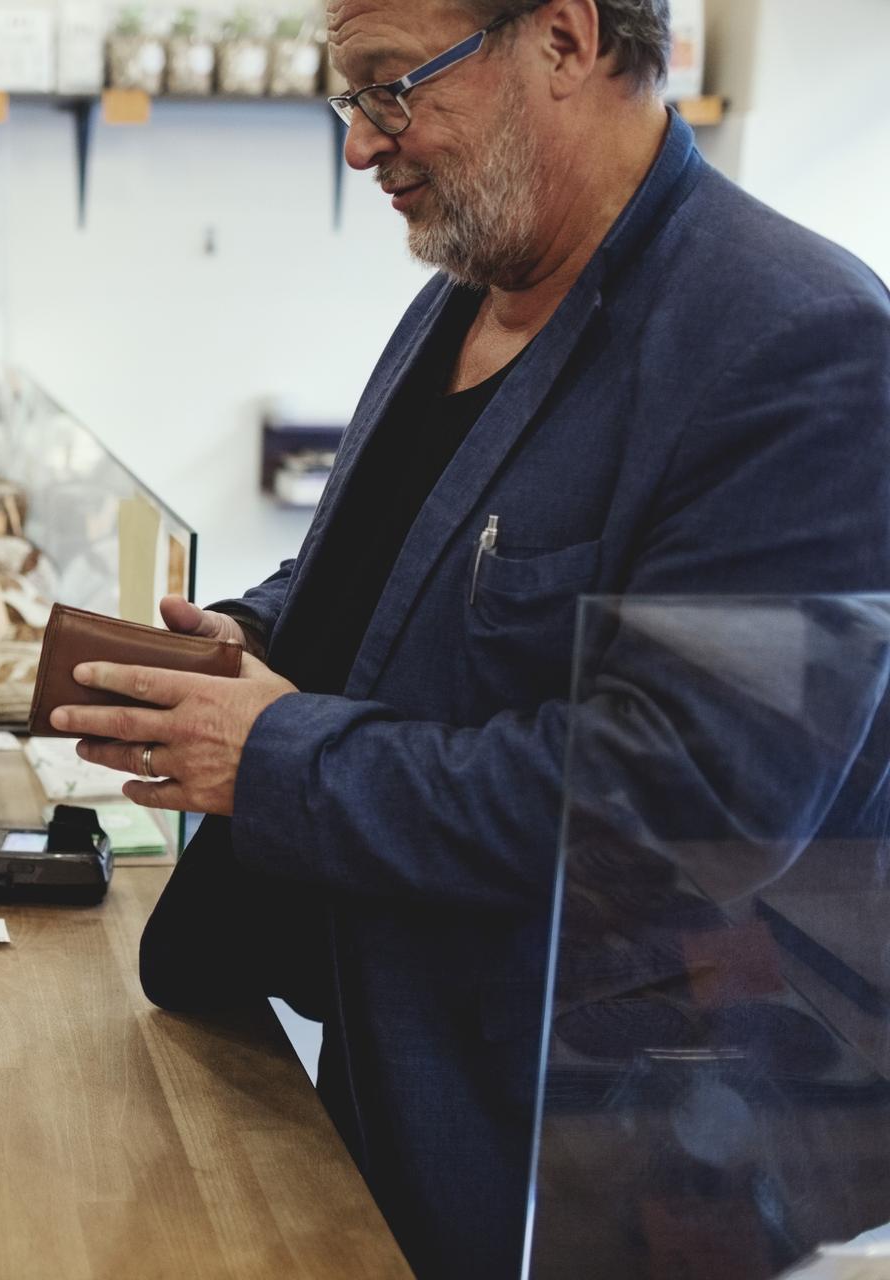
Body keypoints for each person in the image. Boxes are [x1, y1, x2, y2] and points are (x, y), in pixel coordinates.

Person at [47, 1, 890, 1275]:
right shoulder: (479, 286)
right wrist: (243, 635)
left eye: (392, 86)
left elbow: (686, 803)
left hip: (599, 1138)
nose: (362, 145)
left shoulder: (797, 339)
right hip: (404, 1047)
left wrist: (274, 755)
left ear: (562, 37)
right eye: (353, 96)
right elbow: (395, 564)